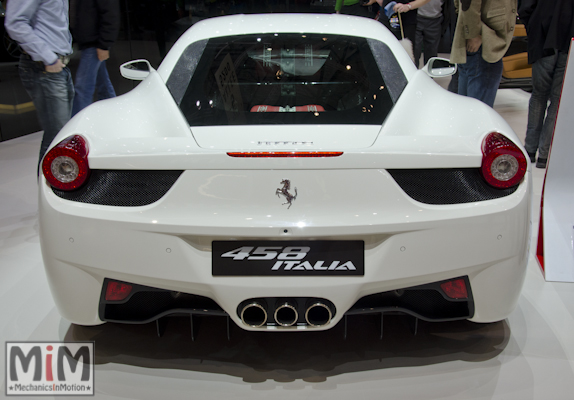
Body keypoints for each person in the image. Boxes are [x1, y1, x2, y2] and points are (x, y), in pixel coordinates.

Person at [5, 0, 74, 165]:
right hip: (45, 67)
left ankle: (54, 188)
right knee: (56, 139)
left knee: (60, 135)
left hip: (59, 66)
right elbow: (15, 23)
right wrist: (48, 58)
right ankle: (47, 189)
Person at [519, 0, 574, 168]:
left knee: (539, 95)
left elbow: (525, 9)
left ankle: (529, 150)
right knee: (557, 99)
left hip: (544, 39)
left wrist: (535, 29)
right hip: (569, 42)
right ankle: (545, 154)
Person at [450, 0, 516, 108]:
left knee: (467, 106)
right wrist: (473, 34)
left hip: (481, 37)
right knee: (478, 110)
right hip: (485, 39)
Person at [70, 0, 120, 117]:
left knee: (83, 88)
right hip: (89, 42)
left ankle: (78, 125)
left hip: (94, 43)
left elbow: (111, 14)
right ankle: (114, 115)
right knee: (103, 85)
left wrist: (104, 44)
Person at [414, 0, 444, 67]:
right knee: (415, 51)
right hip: (416, 16)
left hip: (436, 18)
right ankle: (412, 74)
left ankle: (429, 76)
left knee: (431, 52)